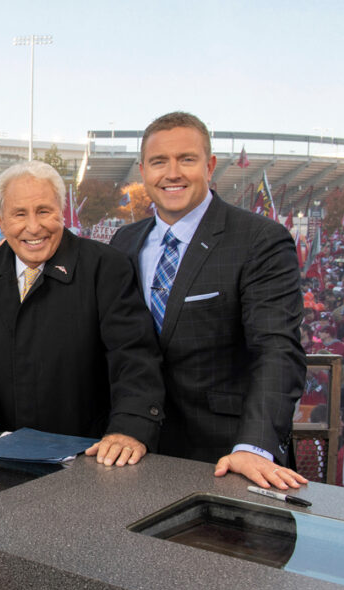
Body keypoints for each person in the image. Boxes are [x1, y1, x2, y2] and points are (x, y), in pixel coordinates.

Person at [110, 111, 307, 489]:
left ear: (210, 165)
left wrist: (255, 445)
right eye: (159, 162)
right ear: (142, 171)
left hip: (229, 456)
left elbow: (277, 349)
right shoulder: (124, 241)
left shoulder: (259, 239)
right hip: (138, 450)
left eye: (186, 159)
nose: (173, 173)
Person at [0, 161, 165, 467]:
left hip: (89, 457)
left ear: (62, 211)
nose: (33, 227)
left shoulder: (105, 267)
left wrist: (130, 428)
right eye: (19, 214)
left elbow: (133, 358)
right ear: (0, 219)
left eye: (44, 211)